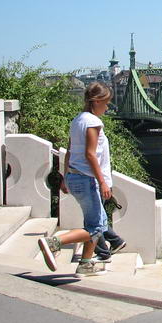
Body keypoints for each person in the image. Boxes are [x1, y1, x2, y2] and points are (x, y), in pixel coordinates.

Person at [37, 82, 114, 276]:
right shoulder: (93, 122)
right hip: (87, 179)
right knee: (96, 226)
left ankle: (85, 264)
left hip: (74, 176)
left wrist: (65, 177)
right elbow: (90, 154)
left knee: (96, 223)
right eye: (106, 103)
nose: (107, 107)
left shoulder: (77, 120)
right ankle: (54, 242)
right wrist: (103, 182)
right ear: (96, 101)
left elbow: (70, 151)